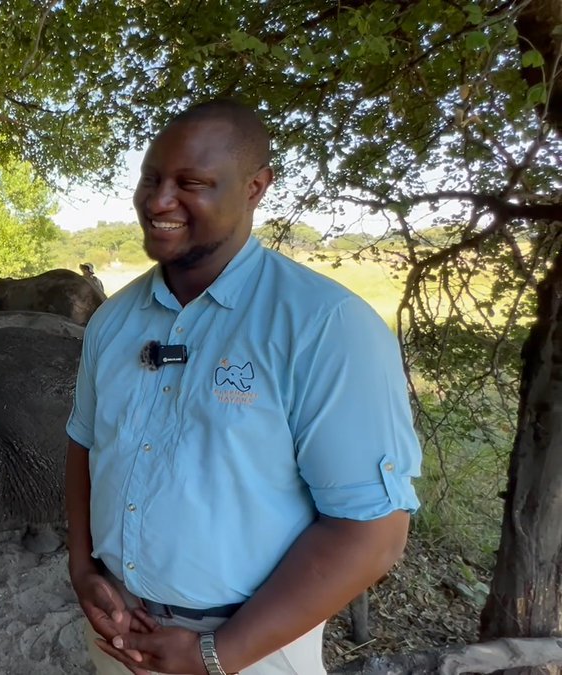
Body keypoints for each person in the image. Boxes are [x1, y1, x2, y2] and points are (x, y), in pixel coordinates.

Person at [64, 99, 421, 675]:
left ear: (256, 187)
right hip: (118, 633)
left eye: (192, 182)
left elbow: (372, 535)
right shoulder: (113, 321)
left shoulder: (325, 327)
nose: (158, 201)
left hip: (249, 648)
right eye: (151, 178)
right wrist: (83, 568)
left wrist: (214, 654)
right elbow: (83, 444)